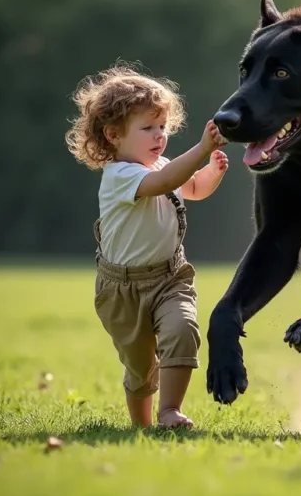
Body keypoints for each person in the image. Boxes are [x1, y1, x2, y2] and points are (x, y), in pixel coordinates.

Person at [66, 64, 228, 428]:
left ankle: (169, 410)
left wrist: (211, 173)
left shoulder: (163, 165)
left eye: (163, 127)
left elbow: (192, 188)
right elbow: (165, 181)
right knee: (140, 367)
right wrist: (201, 149)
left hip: (170, 277)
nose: (159, 136)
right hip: (122, 289)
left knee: (183, 330)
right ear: (113, 135)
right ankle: (142, 426)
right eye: (147, 128)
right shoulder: (120, 176)